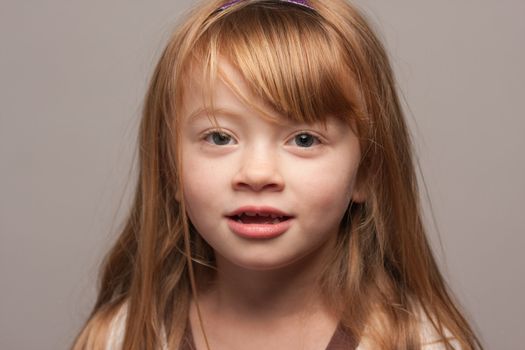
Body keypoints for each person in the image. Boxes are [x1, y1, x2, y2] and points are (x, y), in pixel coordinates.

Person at [72, 0, 483, 349]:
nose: (256, 173)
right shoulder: (125, 337)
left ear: (367, 172)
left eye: (304, 139)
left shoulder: (419, 342)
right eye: (219, 137)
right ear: (168, 167)